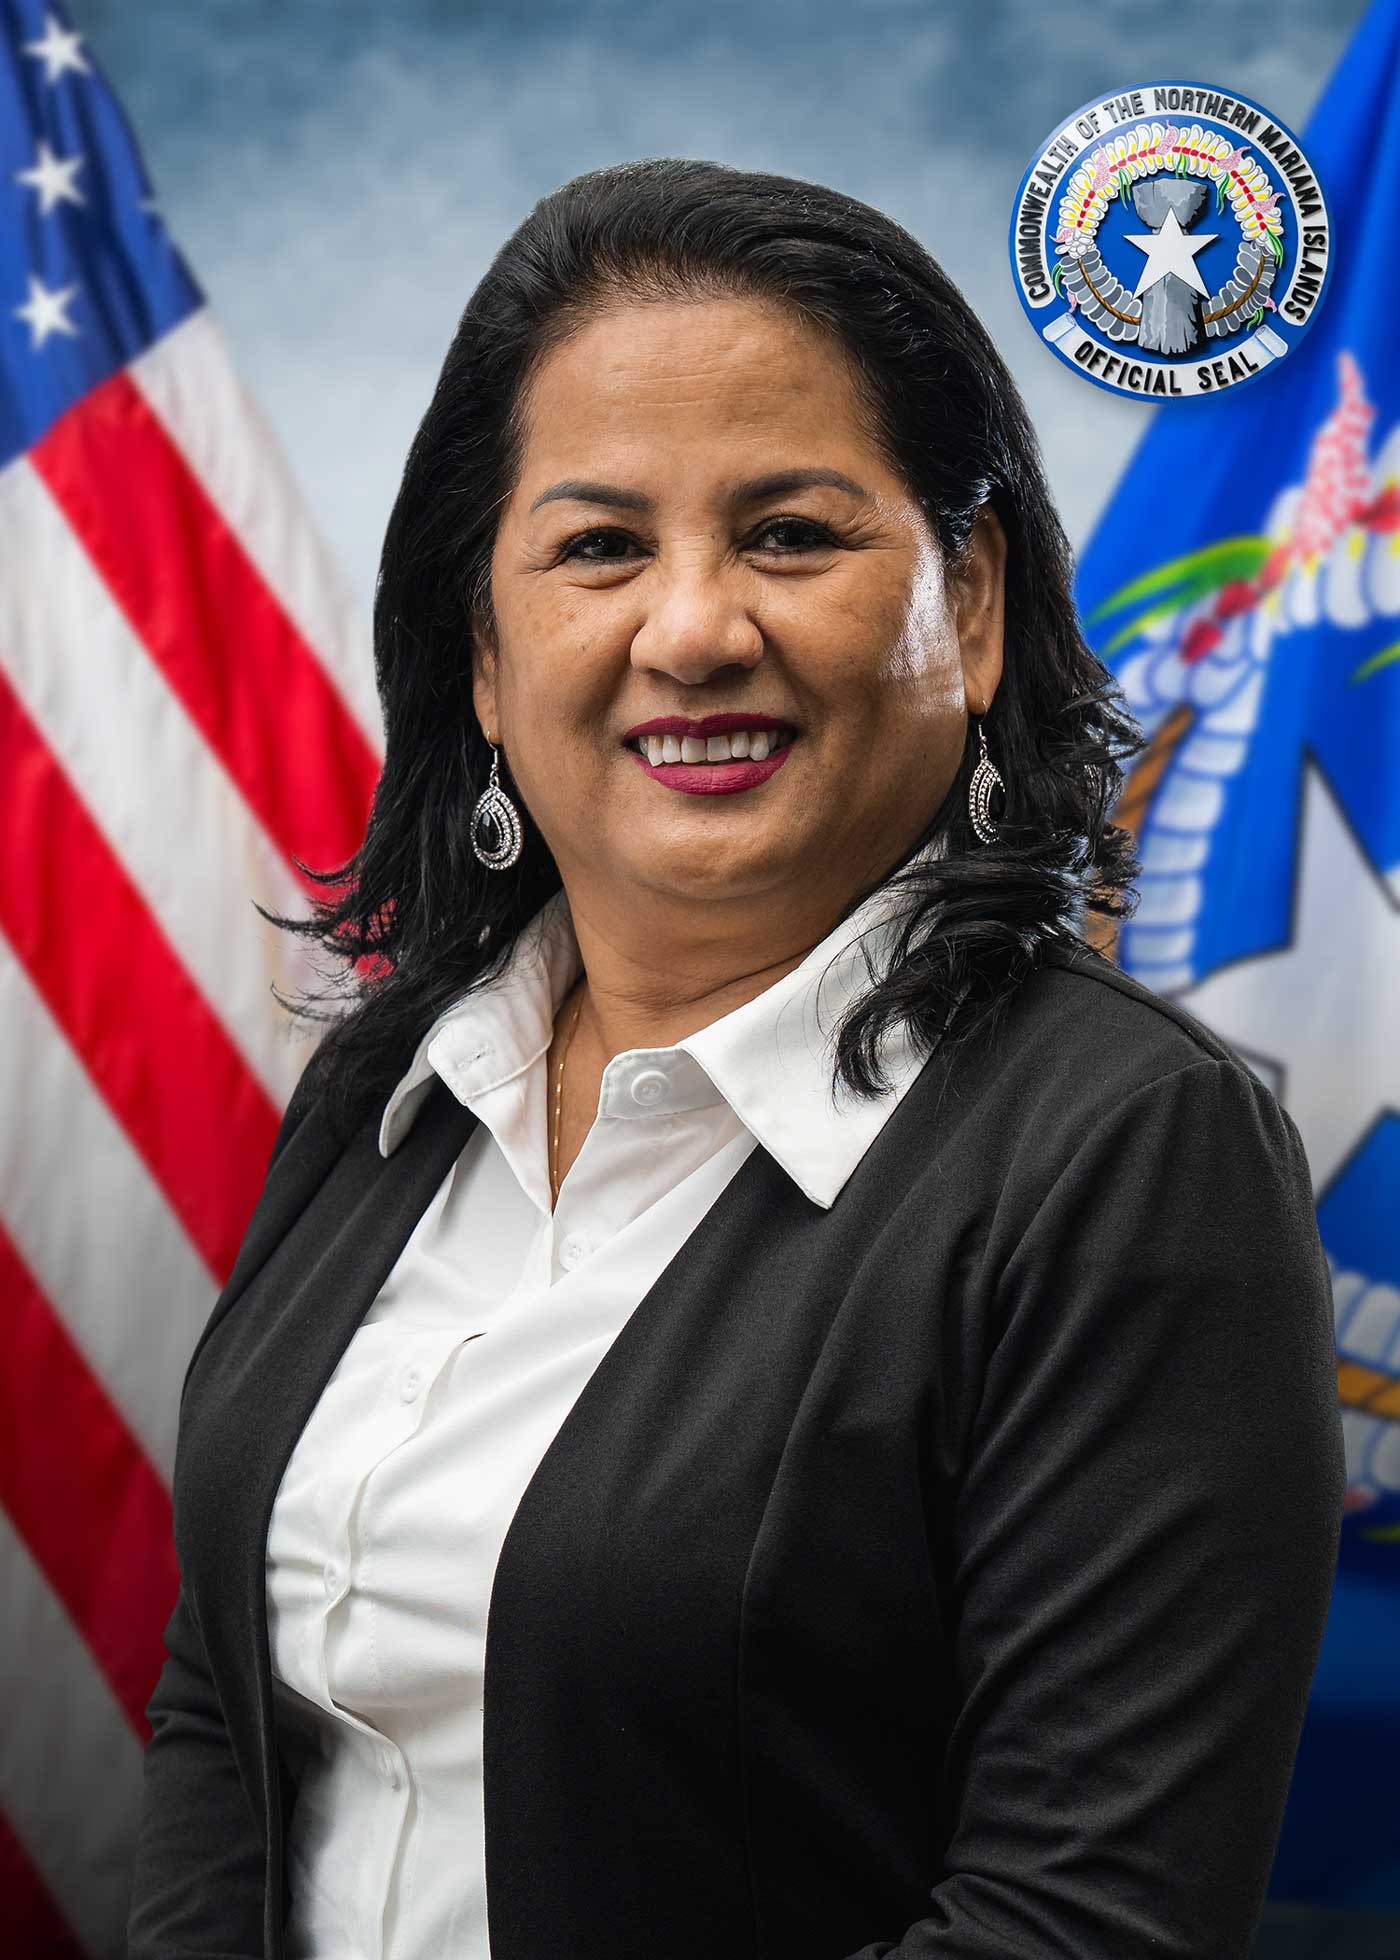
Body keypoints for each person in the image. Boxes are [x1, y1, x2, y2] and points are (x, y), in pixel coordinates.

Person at [127, 157, 1345, 1960]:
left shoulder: (1130, 1154)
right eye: (599, 548)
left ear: (971, 604)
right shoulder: (391, 1085)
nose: (693, 631)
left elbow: (1078, 1922)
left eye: (790, 534)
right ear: (484, 656)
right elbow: (226, 1712)